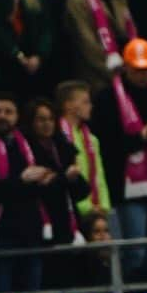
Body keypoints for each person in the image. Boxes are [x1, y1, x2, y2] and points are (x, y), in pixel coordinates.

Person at [91, 38, 147, 282]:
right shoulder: (107, 98)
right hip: (127, 185)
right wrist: (140, 138)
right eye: (138, 69)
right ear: (126, 68)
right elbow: (106, 143)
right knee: (135, 252)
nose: (143, 75)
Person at [22, 98, 89, 289]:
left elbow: (83, 190)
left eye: (50, 119)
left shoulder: (63, 146)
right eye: (41, 120)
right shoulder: (26, 149)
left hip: (68, 220)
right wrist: (63, 178)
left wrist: (66, 179)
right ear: (31, 122)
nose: (46, 124)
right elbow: (36, 188)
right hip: (41, 222)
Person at [0, 92, 55, 293]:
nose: (2, 116)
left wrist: (45, 177)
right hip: (0, 234)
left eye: (8, 111)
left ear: (17, 116)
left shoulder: (28, 143)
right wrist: (21, 181)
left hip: (30, 230)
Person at [55, 79, 119, 238]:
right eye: (85, 102)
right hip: (71, 210)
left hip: (96, 210)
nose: (90, 106)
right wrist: (86, 207)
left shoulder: (91, 139)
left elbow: (99, 176)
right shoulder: (57, 137)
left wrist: (103, 206)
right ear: (69, 105)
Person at [64, 0, 136, 94]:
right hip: (97, 77)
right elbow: (87, 43)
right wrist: (117, 73)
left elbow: (127, 31)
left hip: (126, 72)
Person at [0, 0, 53, 102]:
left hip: (34, 64)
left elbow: (45, 26)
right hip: (4, 65)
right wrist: (17, 55)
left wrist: (39, 55)